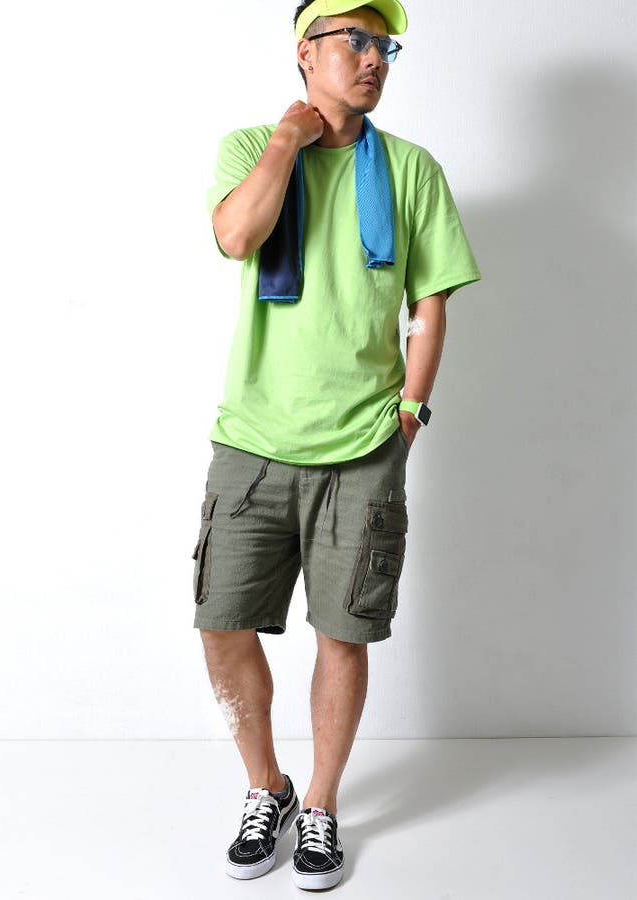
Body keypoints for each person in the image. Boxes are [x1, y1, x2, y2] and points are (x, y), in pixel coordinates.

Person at [190, 0, 482, 890]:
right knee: (221, 622)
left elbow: (430, 301)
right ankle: (266, 787)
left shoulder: (410, 169)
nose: (374, 57)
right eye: (354, 40)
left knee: (342, 632)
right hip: (253, 438)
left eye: (383, 44)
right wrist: (289, 138)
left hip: (363, 445)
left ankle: (318, 804)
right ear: (305, 52)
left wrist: (412, 410)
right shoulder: (250, 148)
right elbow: (237, 234)